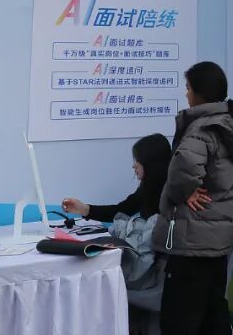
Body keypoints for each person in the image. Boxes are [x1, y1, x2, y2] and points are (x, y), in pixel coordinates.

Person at [153, 62, 233, 335]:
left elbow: (184, 167)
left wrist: (184, 191)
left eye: (188, 88)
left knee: (180, 319)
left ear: (200, 93)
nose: (186, 94)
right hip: (220, 239)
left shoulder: (202, 128)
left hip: (193, 239)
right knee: (213, 312)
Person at [63, 133, 174, 328]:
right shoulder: (147, 189)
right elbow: (121, 209)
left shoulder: (170, 196)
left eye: (137, 161)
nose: (134, 166)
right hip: (141, 264)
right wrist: (85, 209)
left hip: (149, 272)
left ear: (150, 164)